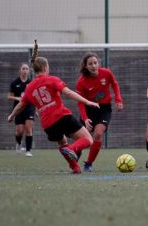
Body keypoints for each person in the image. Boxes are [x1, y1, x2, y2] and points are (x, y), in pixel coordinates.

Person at [8, 41, 99, 174]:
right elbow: (68, 92)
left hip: (48, 124)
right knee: (87, 139)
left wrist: (11, 115)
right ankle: (73, 149)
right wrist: (87, 102)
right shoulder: (51, 79)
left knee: (62, 143)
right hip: (61, 116)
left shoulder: (29, 88)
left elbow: (21, 105)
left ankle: (75, 167)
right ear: (45, 68)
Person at [76, 52, 123, 172]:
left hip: (104, 109)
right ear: (85, 66)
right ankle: (75, 157)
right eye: (90, 64)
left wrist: (118, 100)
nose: (93, 66)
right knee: (82, 138)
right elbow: (80, 102)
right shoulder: (81, 81)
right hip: (89, 110)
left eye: (95, 63)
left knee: (98, 134)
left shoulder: (106, 73)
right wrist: (85, 118)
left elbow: (115, 84)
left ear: (98, 63)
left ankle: (88, 164)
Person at [8, 63, 35, 157]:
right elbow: (9, 97)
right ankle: (19, 144)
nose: (25, 70)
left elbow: (34, 97)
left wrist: (37, 110)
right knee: (19, 131)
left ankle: (28, 150)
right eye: (23, 68)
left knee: (29, 128)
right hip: (19, 109)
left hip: (29, 108)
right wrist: (18, 99)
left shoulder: (31, 83)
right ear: (20, 70)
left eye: (27, 69)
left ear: (29, 71)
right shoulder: (14, 83)